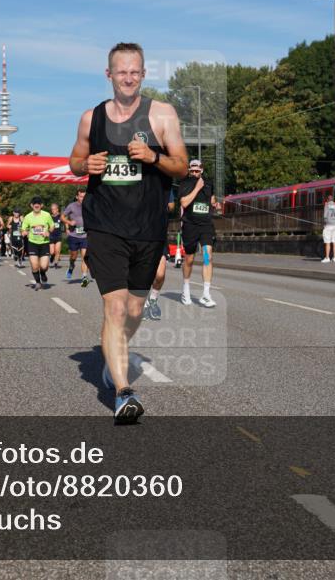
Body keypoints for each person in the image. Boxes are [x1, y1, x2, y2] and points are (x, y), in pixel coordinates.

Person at [68, 42, 188, 423]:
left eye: (135, 71)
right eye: (122, 71)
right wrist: (86, 163)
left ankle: (113, 352)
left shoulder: (163, 114)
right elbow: (73, 163)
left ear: (143, 74)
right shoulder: (92, 118)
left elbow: (182, 166)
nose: (128, 77)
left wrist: (154, 157)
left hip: (148, 225)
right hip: (104, 223)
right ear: (109, 75)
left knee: (134, 308)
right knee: (114, 306)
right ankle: (123, 392)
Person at [179, 159, 217, 308]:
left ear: (202, 170)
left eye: (197, 170)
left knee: (208, 255)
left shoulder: (208, 183)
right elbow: (184, 203)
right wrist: (196, 188)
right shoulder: (185, 183)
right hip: (190, 225)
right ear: (189, 170)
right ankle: (186, 289)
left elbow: (211, 198)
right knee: (189, 258)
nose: (195, 173)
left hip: (206, 225)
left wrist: (214, 203)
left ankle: (206, 294)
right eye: (192, 170)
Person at [143, 190, 177, 320]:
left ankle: (153, 300)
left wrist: (161, 203)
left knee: (160, 274)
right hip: (140, 237)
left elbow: (172, 206)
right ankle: (144, 304)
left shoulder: (164, 186)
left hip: (160, 237)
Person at [21, 196, 55, 290]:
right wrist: (24, 232)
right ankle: (38, 282)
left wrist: (48, 232)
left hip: (44, 243)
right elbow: (23, 229)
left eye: (38, 204)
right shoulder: (28, 217)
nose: (36, 205)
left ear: (41, 205)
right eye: (35, 204)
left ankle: (43, 273)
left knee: (44, 266)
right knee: (35, 265)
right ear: (31, 205)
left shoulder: (47, 215)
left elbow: (52, 226)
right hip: (32, 243)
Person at [61, 188, 90, 286]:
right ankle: (71, 266)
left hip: (85, 235)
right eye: (81, 196)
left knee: (85, 257)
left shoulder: (89, 205)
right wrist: (69, 222)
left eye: (85, 196)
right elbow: (62, 217)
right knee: (73, 255)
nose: (83, 198)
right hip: (74, 235)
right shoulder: (71, 206)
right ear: (77, 197)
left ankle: (84, 277)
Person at [322, 192, 335, 263]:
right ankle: (334, 258)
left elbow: (325, 217)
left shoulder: (327, 205)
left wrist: (324, 224)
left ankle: (327, 258)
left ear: (327, 200)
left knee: (327, 242)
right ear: (333, 200)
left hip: (329, 226)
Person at [48, 202, 63, 268]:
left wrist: (67, 229)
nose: (53, 211)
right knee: (52, 252)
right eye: (52, 209)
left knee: (57, 251)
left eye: (54, 209)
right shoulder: (49, 217)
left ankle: (56, 263)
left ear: (57, 209)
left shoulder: (61, 216)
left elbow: (66, 222)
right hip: (51, 236)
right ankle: (52, 257)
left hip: (58, 236)